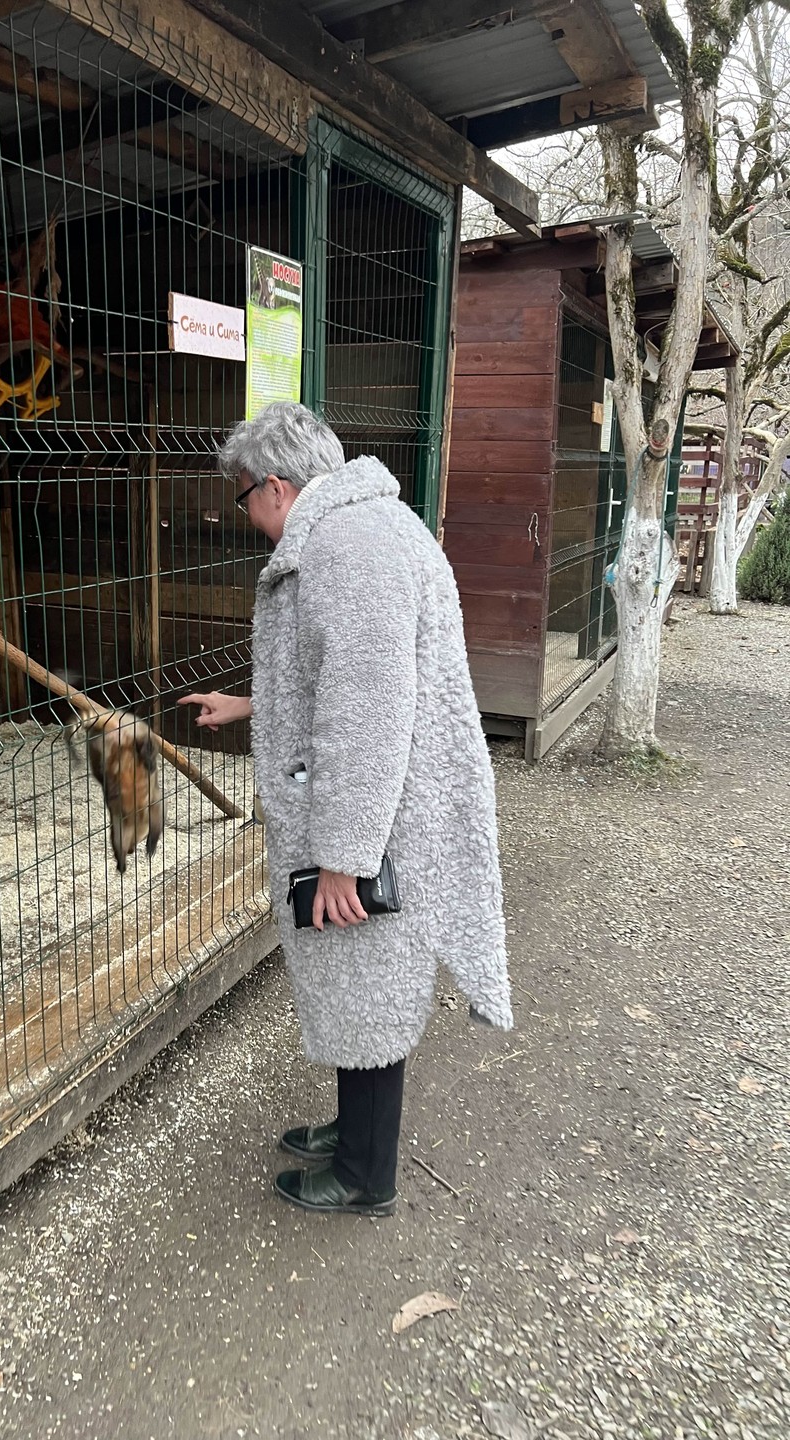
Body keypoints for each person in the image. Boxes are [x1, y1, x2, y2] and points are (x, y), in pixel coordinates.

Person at [180, 401, 512, 1217]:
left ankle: (366, 1176)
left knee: (368, 982)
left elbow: (365, 715)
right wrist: (247, 705)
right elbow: (334, 680)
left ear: (275, 486)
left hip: (377, 821)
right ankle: (354, 1130)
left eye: (243, 496)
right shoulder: (360, 528)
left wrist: (344, 859)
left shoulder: (347, 547)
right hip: (381, 808)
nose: (246, 514)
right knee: (358, 983)